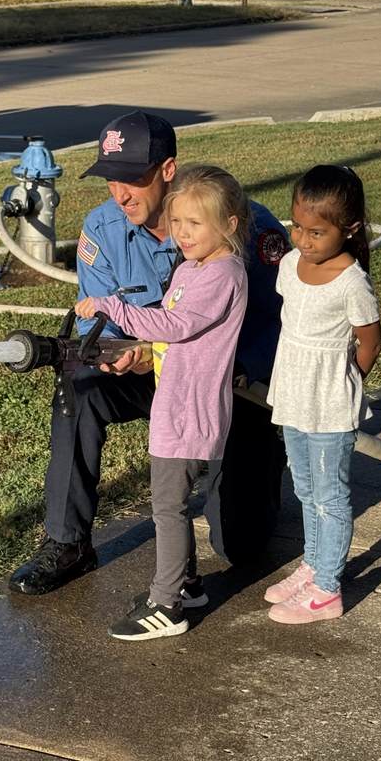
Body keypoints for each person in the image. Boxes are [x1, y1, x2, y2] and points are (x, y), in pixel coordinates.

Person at [9, 109, 289, 597]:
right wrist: (119, 351)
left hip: (232, 385)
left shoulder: (242, 225)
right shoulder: (101, 231)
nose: (120, 194)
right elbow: (103, 325)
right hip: (156, 376)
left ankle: (266, 457)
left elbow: (280, 321)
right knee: (81, 385)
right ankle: (67, 541)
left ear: (167, 170)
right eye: (109, 180)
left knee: (243, 548)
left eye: (132, 180)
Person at [75, 165, 248, 640]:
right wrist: (136, 352)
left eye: (196, 224)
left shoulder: (223, 274)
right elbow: (166, 341)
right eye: (178, 222)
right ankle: (187, 584)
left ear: (229, 225)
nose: (183, 233)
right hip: (173, 409)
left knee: (168, 510)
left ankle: (167, 604)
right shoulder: (190, 270)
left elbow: (175, 327)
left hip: (190, 416)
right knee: (170, 505)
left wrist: (112, 305)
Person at [263, 165, 381, 625]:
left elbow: (368, 341)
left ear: (349, 229)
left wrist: (348, 381)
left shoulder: (352, 282)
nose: (303, 240)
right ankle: (312, 565)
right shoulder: (290, 266)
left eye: (317, 232)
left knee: (329, 495)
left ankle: (328, 588)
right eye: (297, 227)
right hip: (293, 395)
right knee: (304, 486)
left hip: (329, 403)